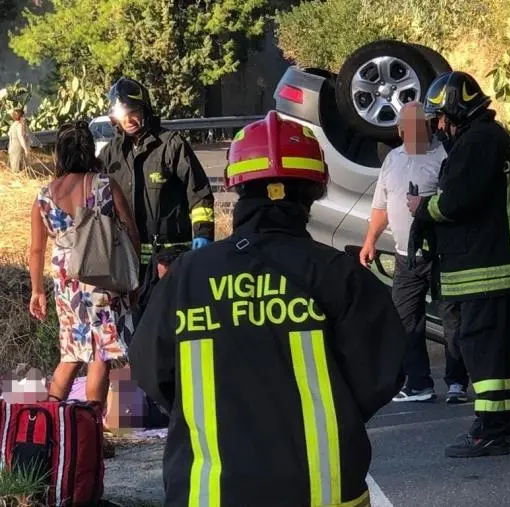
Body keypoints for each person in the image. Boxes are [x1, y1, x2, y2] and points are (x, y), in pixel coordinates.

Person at [129, 111, 408, 506]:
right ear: (313, 191)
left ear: (237, 188)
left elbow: (150, 370)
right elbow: (382, 371)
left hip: (209, 493)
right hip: (321, 491)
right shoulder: (337, 274)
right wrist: (333, 414)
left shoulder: (186, 277)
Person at [407, 71, 510, 458]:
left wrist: (422, 207)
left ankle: (492, 430)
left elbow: (455, 202)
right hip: (487, 265)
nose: (439, 128)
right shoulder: (488, 139)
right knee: (489, 350)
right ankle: (498, 426)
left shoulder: (479, 141)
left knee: (483, 350)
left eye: (441, 119)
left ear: (455, 111)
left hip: (485, 267)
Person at [360, 101, 469, 404]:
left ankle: (457, 382)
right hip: (404, 256)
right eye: (407, 128)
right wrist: (370, 239)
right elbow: (381, 206)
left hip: (440, 253)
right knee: (405, 319)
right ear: (399, 130)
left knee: (452, 318)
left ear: (429, 127)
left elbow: (456, 204)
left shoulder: (446, 156)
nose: (413, 132)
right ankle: (419, 383)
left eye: (419, 126)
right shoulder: (392, 160)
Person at [29, 121, 141, 408]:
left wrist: (37, 291)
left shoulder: (44, 196)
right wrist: (134, 278)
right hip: (102, 276)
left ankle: (51, 424)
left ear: (60, 154)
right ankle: (93, 432)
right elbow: (131, 231)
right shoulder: (104, 184)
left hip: (67, 284)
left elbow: (36, 250)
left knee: (71, 352)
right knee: (99, 354)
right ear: (89, 150)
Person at [98, 77, 215, 314]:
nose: (128, 120)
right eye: (123, 115)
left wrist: (203, 234)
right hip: (128, 264)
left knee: (170, 328)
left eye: (134, 112)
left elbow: (199, 193)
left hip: (169, 261)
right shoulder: (111, 155)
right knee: (136, 332)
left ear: (146, 110)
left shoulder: (171, 146)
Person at [8, 108, 30, 173]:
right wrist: (26, 149)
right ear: (21, 117)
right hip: (17, 149)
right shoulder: (19, 125)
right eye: (23, 116)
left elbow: (9, 135)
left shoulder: (13, 125)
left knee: (14, 167)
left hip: (12, 148)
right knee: (18, 169)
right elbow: (21, 137)